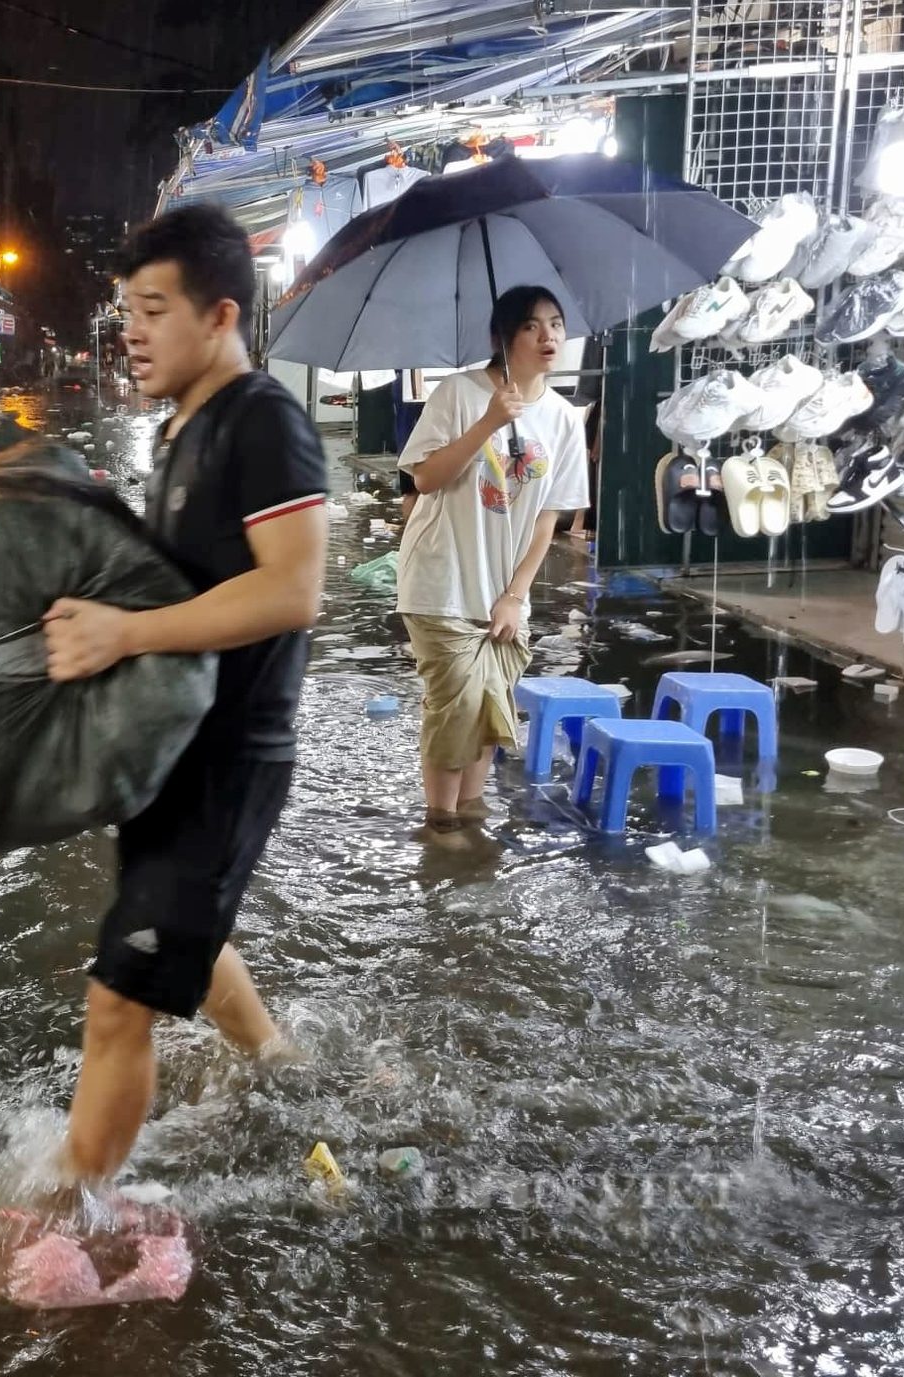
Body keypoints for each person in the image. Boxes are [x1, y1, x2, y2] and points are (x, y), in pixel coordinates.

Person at [40, 203, 328, 1193]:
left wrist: (124, 633)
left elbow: (293, 588)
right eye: (127, 307)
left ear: (219, 315)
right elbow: (175, 581)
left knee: (118, 1001)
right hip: (167, 749)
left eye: (153, 308)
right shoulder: (178, 430)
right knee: (179, 932)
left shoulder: (264, 422)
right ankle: (281, 1065)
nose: (132, 328)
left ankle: (71, 1212)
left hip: (228, 757)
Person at [396, 285, 589, 840]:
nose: (548, 335)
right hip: (440, 578)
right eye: (531, 325)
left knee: (489, 711)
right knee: (454, 704)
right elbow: (426, 478)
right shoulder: (459, 394)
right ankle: (441, 827)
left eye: (555, 323)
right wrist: (487, 422)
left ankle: (468, 819)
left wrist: (515, 595)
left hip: (503, 590)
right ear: (503, 338)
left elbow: (547, 518)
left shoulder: (563, 420)